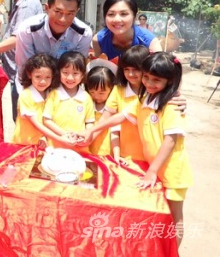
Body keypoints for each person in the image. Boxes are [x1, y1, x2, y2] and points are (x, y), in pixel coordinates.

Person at [82, 52, 192, 248]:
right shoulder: (145, 99)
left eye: (156, 80)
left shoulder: (172, 106)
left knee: (174, 217)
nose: (149, 83)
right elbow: (119, 117)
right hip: (153, 169)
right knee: (157, 214)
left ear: (170, 80)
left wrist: (151, 172)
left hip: (171, 172)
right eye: (147, 77)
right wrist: (92, 129)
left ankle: (173, 251)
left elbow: (169, 141)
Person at [15, 0, 92, 93]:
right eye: (58, 12)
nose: (63, 19)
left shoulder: (83, 34)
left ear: (77, 12)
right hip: (31, 89)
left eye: (70, 13)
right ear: (47, 8)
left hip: (64, 92)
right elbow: (25, 69)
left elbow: (76, 70)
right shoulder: (27, 30)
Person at [42, 51, 95, 152]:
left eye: (75, 73)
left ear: (83, 75)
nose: (70, 77)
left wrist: (85, 135)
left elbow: (89, 122)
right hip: (55, 145)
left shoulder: (86, 97)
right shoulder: (54, 94)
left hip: (78, 147)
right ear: (59, 72)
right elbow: (47, 120)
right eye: (65, 73)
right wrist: (64, 135)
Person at [93, 0, 161, 60]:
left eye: (123, 14)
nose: (117, 19)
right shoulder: (99, 40)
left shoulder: (150, 43)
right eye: (111, 14)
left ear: (134, 16)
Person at [11, 53, 60, 146]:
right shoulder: (26, 95)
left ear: (53, 76)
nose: (43, 81)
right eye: (38, 77)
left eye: (47, 77)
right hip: (24, 144)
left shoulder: (51, 94)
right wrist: (60, 138)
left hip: (43, 144)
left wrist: (46, 137)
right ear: (29, 75)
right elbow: (36, 124)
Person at [85, 63, 116, 156]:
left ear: (111, 89)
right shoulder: (87, 103)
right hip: (88, 148)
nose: (96, 96)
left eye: (101, 93)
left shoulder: (113, 107)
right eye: (92, 92)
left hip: (107, 149)